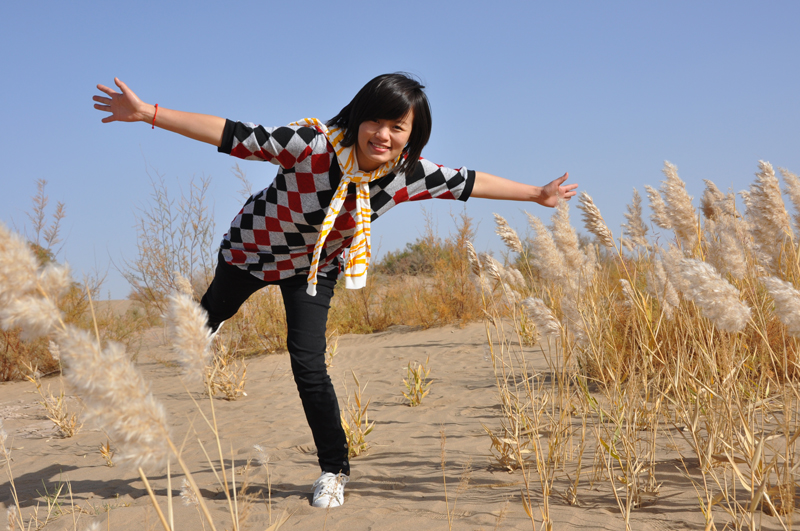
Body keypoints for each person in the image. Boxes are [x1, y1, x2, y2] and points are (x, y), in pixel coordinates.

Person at [93, 73, 577, 509]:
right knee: (209, 315)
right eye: (375, 121)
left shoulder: (406, 174)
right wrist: (148, 113)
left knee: (308, 364)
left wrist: (538, 194)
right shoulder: (310, 145)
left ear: (412, 135)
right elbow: (230, 133)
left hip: (313, 268)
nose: (383, 135)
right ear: (357, 117)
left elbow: (470, 181)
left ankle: (333, 469)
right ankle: (209, 323)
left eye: (397, 127)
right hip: (250, 252)